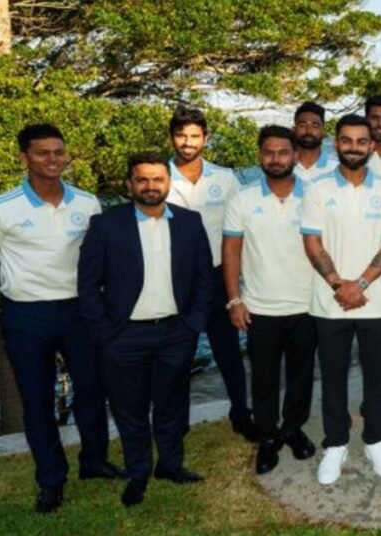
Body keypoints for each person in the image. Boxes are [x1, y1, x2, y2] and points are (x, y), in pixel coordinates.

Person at [78, 152, 214, 507]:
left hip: (176, 333)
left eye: (158, 179)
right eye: (143, 179)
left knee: (171, 404)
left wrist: (194, 323)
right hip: (123, 337)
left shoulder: (190, 222)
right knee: (130, 409)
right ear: (129, 184)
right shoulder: (105, 225)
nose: (151, 186)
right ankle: (138, 472)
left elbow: (204, 278)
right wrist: (104, 331)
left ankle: (170, 465)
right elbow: (88, 285)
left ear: (169, 183)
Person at [0, 124, 123, 514]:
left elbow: (100, 263)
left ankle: (95, 461)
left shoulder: (87, 204)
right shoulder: (4, 208)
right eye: (42, 153)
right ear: (24, 158)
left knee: (93, 390)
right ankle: (51, 480)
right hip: (26, 314)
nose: (52, 160)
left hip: (79, 312)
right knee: (37, 400)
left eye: (58, 152)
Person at [301, 114, 381, 484]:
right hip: (330, 302)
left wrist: (358, 284)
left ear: (371, 146)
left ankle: (375, 439)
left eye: (362, 141)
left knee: (376, 375)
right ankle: (336, 443)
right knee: (332, 376)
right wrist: (337, 284)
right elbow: (312, 241)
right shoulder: (316, 189)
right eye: (347, 141)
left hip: (375, 302)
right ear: (336, 144)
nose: (355, 147)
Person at [222, 126, 317, 475]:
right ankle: (267, 436)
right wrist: (234, 300)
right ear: (260, 155)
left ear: (294, 155)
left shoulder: (316, 196)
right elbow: (231, 251)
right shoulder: (242, 200)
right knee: (262, 378)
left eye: (282, 152)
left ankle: (292, 429)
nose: (275, 159)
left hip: (307, 305)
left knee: (301, 375)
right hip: (259, 307)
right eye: (269, 152)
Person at [165, 107, 255, 441]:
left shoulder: (226, 178)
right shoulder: (159, 177)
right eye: (181, 135)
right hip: (176, 281)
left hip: (218, 277)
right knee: (178, 355)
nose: (187, 143)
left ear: (206, 138)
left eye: (194, 136)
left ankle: (241, 413)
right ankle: (177, 421)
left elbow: (240, 230)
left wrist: (239, 283)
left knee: (228, 351)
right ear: (172, 137)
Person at [292, 101, 339, 181]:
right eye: (302, 126)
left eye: (315, 126)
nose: (309, 131)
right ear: (294, 129)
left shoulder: (338, 168)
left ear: (323, 131)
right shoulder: (281, 166)